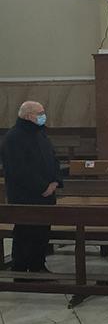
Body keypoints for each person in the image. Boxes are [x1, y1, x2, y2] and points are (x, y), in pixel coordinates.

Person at [1, 101, 62, 274]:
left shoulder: (40, 133)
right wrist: (43, 187)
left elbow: (53, 158)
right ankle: (20, 271)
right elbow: (18, 170)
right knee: (25, 233)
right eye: (40, 113)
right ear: (28, 116)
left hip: (46, 195)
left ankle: (38, 266)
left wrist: (55, 181)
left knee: (42, 232)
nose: (43, 116)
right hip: (26, 196)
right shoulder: (14, 138)